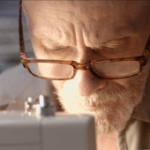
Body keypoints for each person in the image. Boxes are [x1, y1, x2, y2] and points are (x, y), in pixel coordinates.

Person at [1, 0, 150, 150]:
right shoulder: (5, 101)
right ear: (28, 20)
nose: (84, 88)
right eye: (56, 48)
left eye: (112, 47)